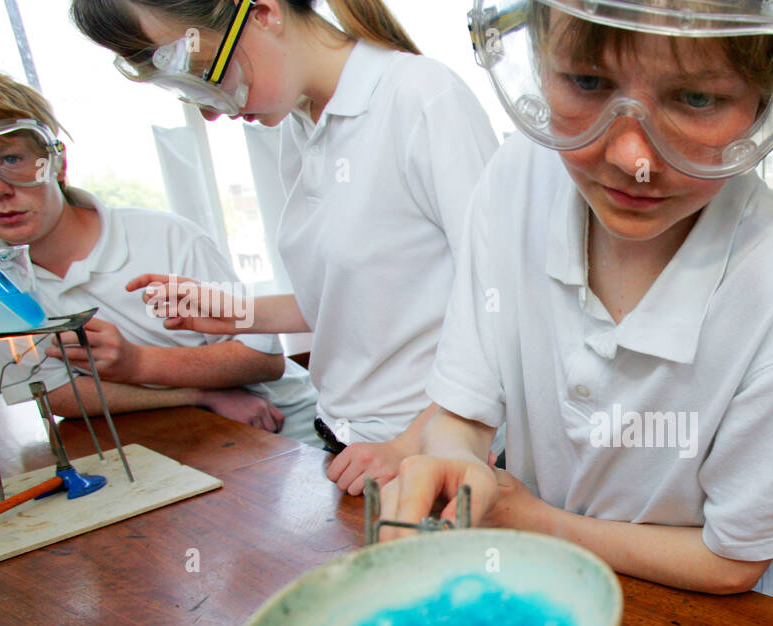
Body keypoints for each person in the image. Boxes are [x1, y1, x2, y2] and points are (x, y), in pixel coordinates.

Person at [380, 0, 773, 595]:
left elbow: (733, 560)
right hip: (527, 589)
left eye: (697, 99)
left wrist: (535, 521)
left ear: (767, 100)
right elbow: (465, 409)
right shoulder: (517, 178)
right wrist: (458, 463)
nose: (633, 159)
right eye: (586, 81)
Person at [71, 0, 498, 490]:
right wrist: (237, 313)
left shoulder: (420, 96)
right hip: (352, 446)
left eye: (201, 73)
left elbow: (504, 310)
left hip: (435, 454)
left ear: (265, 12)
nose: (212, 111)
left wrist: (412, 443)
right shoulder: (304, 125)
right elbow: (360, 299)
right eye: (184, 92)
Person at [0, 71, 316, 439]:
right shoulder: (1, 287)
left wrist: (136, 363)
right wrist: (198, 394)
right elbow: (58, 395)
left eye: (12, 159)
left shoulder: (166, 237)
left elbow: (263, 358)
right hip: (181, 439)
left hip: (291, 431)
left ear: (57, 163)